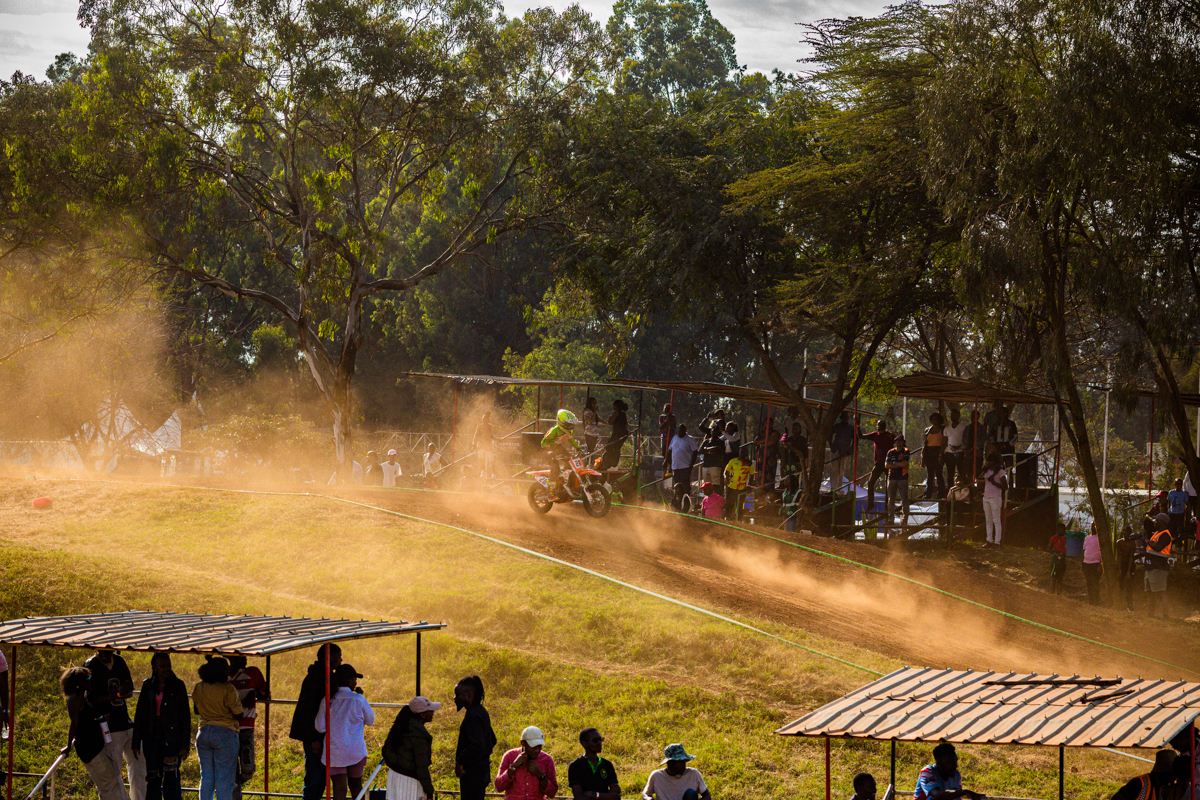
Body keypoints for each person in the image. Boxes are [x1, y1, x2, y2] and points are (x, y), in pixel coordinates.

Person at [84, 648, 146, 800]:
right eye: (102, 651)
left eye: (108, 651)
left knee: (139, 766)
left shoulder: (119, 661)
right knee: (114, 772)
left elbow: (130, 690)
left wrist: (121, 693)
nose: (106, 654)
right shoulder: (90, 665)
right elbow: (90, 699)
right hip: (109, 726)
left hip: (125, 721)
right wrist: (114, 696)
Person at [61, 666, 126, 800]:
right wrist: (68, 746)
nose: (90, 681)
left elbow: (86, 720)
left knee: (107, 784)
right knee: (110, 783)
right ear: (77, 683)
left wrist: (100, 718)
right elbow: (74, 724)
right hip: (90, 749)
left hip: (94, 746)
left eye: (90, 677)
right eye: (86, 679)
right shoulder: (75, 698)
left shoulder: (81, 697)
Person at [133, 653, 192, 800]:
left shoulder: (178, 685)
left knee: (171, 776)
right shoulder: (148, 685)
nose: (167, 669)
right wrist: (136, 741)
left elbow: (185, 716)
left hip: (172, 737)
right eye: (162, 666)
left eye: (168, 665)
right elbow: (140, 714)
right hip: (151, 736)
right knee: (153, 776)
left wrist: (185, 744)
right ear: (154, 667)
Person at [314, 664, 376, 800]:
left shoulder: (327, 700)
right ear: (349, 681)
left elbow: (320, 727)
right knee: (356, 787)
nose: (356, 683)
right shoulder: (359, 699)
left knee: (339, 789)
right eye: (355, 679)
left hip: (334, 752)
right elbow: (371, 720)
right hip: (355, 751)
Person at [290, 644, 342, 800]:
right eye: (339, 656)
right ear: (330, 656)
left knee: (320, 779)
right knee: (314, 778)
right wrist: (313, 739)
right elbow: (308, 710)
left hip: (318, 734)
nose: (341, 659)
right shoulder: (317, 678)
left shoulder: (321, 676)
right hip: (315, 735)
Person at [193, 657, 244, 800]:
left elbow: (196, 710)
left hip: (203, 732)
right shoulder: (228, 689)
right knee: (224, 780)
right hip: (225, 734)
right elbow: (239, 714)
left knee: (207, 778)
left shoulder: (199, 686)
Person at [383, 696, 441, 800]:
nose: (433, 712)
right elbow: (422, 767)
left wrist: (398, 765)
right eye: (430, 710)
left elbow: (386, 751)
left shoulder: (401, 726)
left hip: (394, 777)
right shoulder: (419, 735)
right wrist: (429, 792)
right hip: (410, 782)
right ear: (422, 715)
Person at [228, 656, 270, 800]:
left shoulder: (253, 673)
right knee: (232, 773)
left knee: (248, 768)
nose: (245, 658)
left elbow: (267, 694)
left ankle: (237, 782)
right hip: (228, 728)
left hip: (246, 727)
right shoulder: (222, 675)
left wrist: (256, 693)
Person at [455, 675, 498, 800]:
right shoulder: (481, 711)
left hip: (472, 774)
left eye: (458, 694)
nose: (455, 698)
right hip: (482, 772)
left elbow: (477, 744)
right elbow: (492, 739)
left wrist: (460, 761)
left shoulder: (473, 715)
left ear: (468, 695)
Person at [496, 726, 558, 800]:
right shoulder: (509, 756)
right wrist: (513, 766)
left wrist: (541, 775)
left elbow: (552, 793)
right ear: (523, 743)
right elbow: (499, 786)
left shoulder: (547, 760)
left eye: (539, 746)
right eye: (533, 746)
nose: (537, 750)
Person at [914, 742, 984, 800]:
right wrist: (963, 792)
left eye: (956, 761)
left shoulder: (956, 775)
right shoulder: (927, 772)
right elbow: (937, 795)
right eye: (951, 762)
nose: (956, 765)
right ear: (939, 763)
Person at [641, 743, 711, 800]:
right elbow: (645, 794)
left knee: (690, 793)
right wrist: (649, 799)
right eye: (679, 762)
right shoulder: (657, 776)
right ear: (669, 763)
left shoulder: (693, 774)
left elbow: (707, 795)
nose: (683, 765)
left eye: (683, 761)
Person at [568, 728, 620, 800]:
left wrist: (594, 795)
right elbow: (579, 797)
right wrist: (606, 795)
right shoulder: (575, 766)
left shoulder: (607, 765)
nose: (599, 743)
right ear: (584, 743)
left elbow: (616, 796)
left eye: (600, 739)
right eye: (595, 740)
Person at [542, 410, 581, 499]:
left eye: (571, 425)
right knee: (555, 468)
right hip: (547, 449)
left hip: (558, 448)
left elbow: (571, 440)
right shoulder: (554, 431)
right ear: (561, 423)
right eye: (568, 425)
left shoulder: (569, 431)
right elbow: (543, 442)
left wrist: (578, 448)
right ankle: (550, 491)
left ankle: (564, 484)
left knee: (571, 461)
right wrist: (550, 452)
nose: (570, 426)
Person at [859, 417, 895, 515]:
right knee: (870, 483)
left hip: (888, 464)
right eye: (879, 427)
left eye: (881, 427)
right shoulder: (875, 435)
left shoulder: (890, 435)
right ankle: (871, 504)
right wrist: (858, 425)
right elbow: (861, 436)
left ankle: (887, 507)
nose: (880, 429)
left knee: (888, 486)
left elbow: (899, 441)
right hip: (879, 464)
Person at [1109, 750, 1178, 800]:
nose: (1175, 778)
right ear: (1164, 772)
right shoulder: (1139, 784)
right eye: (1173, 774)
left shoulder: (1167, 787)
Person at [668, 424, 700, 510]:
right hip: (675, 467)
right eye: (679, 429)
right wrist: (668, 464)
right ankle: (676, 505)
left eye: (682, 429)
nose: (680, 431)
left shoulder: (690, 439)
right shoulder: (674, 438)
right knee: (676, 487)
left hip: (685, 467)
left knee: (685, 487)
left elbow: (695, 452)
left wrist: (691, 465)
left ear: (685, 430)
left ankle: (686, 506)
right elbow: (670, 450)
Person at [979, 452, 1008, 547]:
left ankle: (997, 542)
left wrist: (994, 482)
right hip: (986, 497)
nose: (988, 463)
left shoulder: (1001, 472)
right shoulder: (987, 471)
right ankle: (989, 540)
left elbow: (1005, 486)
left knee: (996, 520)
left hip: (995, 497)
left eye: (990, 461)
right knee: (988, 520)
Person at [1146, 522, 1173, 619]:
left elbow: (1158, 547)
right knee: (1150, 592)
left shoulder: (1166, 535)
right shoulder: (1157, 533)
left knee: (1161, 592)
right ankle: (1150, 614)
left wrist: (1147, 541)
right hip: (1151, 566)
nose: (1155, 522)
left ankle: (1165, 615)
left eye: (1157, 521)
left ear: (1162, 522)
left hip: (1159, 567)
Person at [723, 449, 754, 521]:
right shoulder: (733, 461)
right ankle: (728, 519)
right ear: (739, 452)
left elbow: (752, 475)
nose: (743, 453)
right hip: (731, 486)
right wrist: (727, 479)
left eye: (745, 452)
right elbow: (726, 471)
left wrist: (749, 485)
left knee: (739, 506)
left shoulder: (749, 463)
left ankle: (739, 521)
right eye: (742, 451)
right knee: (729, 504)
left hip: (741, 488)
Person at [598, 400, 629, 473]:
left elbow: (610, 422)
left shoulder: (616, 412)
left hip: (618, 433)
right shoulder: (623, 414)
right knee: (617, 448)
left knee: (609, 447)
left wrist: (611, 417)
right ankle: (614, 463)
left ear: (616, 406)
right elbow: (626, 424)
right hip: (624, 433)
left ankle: (613, 463)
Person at [885, 435, 910, 523]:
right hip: (891, 478)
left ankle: (904, 520)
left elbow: (905, 464)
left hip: (903, 478)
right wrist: (898, 464)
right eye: (897, 440)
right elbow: (887, 465)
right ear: (895, 442)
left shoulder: (905, 451)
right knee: (891, 500)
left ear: (903, 442)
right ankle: (890, 519)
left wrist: (893, 463)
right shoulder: (890, 452)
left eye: (900, 441)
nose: (899, 442)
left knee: (904, 500)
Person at [829, 412, 855, 495]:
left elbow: (855, 440)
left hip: (845, 452)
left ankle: (838, 490)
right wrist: (831, 446)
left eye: (845, 418)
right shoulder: (836, 427)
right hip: (836, 451)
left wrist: (850, 451)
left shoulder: (851, 428)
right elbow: (829, 435)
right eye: (843, 418)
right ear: (841, 418)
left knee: (841, 471)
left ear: (847, 419)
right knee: (834, 470)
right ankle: (833, 489)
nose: (844, 419)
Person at [922, 412, 947, 499]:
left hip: (938, 452)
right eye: (932, 419)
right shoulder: (927, 430)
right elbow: (924, 444)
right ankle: (927, 494)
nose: (934, 421)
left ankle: (941, 494)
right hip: (929, 453)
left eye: (935, 419)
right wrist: (923, 457)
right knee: (930, 475)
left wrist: (941, 454)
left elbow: (944, 443)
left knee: (939, 474)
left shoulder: (943, 429)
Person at [942, 408, 966, 494]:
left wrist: (959, 447)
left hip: (959, 453)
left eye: (955, 415)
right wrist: (941, 454)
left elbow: (966, 440)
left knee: (961, 472)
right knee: (950, 473)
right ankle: (950, 491)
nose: (953, 417)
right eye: (952, 415)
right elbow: (944, 442)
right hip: (949, 454)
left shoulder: (963, 427)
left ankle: (962, 490)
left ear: (958, 416)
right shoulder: (947, 428)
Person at [1115, 525, 1137, 612]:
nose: (1126, 534)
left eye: (1128, 532)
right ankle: (1118, 603)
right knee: (1120, 584)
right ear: (1123, 532)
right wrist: (1119, 568)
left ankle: (1129, 604)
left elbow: (1131, 557)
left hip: (1130, 566)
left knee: (1129, 586)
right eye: (1125, 532)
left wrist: (1128, 570)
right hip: (1122, 565)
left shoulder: (1132, 544)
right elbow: (1119, 556)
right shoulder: (1119, 542)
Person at [1082, 522, 1103, 605]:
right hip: (1086, 563)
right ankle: (1091, 600)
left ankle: (1096, 600)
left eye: (1095, 526)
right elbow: (1084, 550)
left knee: (1095, 582)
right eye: (1092, 526)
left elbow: (1102, 552)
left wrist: (1100, 564)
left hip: (1095, 563)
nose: (1093, 527)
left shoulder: (1100, 538)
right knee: (1089, 582)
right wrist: (1082, 563)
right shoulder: (1087, 538)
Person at [962, 410, 986, 480]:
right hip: (967, 454)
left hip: (977, 454)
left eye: (975, 416)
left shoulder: (982, 428)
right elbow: (963, 439)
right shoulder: (967, 428)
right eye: (972, 416)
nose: (973, 417)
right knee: (968, 472)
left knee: (977, 472)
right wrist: (965, 449)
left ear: (978, 417)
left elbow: (982, 441)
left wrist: (972, 449)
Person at [473, 413, 497, 479]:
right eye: (483, 420)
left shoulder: (489, 426)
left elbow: (491, 435)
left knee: (491, 459)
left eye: (486, 420)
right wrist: (474, 445)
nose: (485, 421)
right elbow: (476, 436)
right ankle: (483, 471)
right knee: (480, 457)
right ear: (482, 420)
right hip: (481, 446)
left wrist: (497, 439)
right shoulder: (479, 427)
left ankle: (493, 474)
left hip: (488, 446)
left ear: (488, 420)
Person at [1048, 523, 1067, 596]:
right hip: (1055, 562)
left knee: (1060, 578)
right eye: (1063, 529)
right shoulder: (1053, 538)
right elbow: (1049, 549)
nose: (1064, 531)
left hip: (1062, 562)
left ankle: (1059, 594)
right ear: (1058, 529)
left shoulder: (1064, 539)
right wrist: (1056, 554)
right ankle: (1051, 594)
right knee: (1053, 578)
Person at [659, 405, 676, 470]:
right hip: (664, 436)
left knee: (670, 451)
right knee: (663, 452)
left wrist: (670, 418)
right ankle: (668, 463)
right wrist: (666, 420)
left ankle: (670, 466)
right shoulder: (661, 417)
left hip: (671, 436)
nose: (666, 410)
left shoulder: (673, 416)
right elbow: (661, 426)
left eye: (667, 409)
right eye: (665, 409)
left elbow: (673, 426)